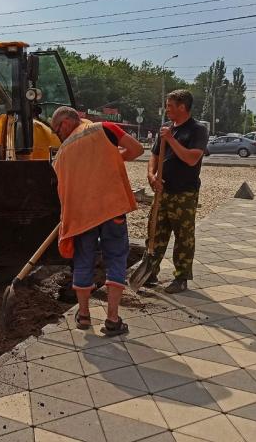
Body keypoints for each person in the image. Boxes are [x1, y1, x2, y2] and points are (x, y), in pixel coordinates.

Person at [51, 107, 144, 336]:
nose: (57, 135)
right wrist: (112, 159)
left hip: (83, 216)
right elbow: (137, 149)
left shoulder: (61, 154)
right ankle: (113, 320)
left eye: (56, 130)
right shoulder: (104, 128)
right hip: (111, 209)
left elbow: (62, 191)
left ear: (65, 123)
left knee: (83, 260)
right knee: (116, 258)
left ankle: (83, 316)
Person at [146, 90, 208, 294]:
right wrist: (151, 175)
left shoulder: (197, 130)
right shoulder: (165, 128)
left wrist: (171, 140)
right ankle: (150, 272)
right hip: (162, 190)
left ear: (182, 107)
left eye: (170, 105)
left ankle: (181, 277)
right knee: (155, 232)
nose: (167, 109)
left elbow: (191, 159)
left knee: (184, 236)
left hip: (184, 193)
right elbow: (154, 155)